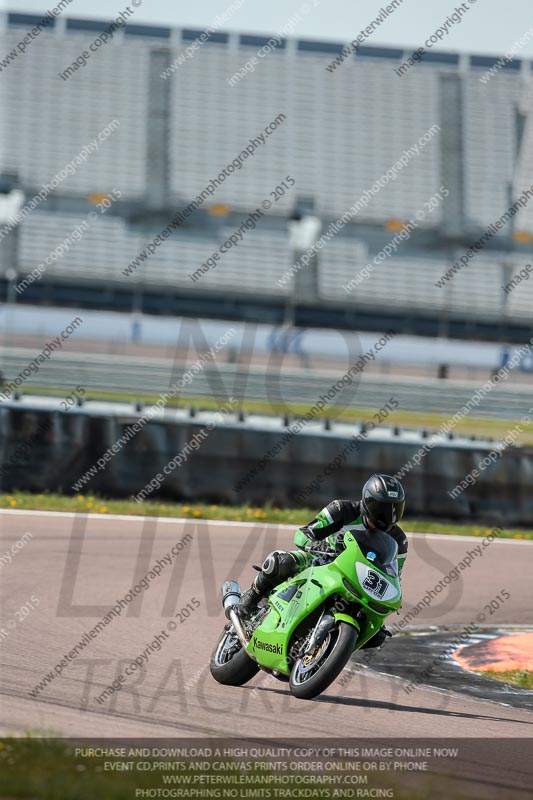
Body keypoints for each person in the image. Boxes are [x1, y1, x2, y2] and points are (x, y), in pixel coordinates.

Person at [239, 473, 407, 649]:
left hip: (359, 578)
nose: (388, 516)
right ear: (367, 501)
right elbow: (303, 534)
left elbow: (393, 574)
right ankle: (252, 596)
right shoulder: (342, 509)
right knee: (282, 562)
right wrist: (318, 545)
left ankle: (331, 646)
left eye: (396, 509)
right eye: (382, 508)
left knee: (377, 636)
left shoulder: (399, 539)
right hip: (322, 560)